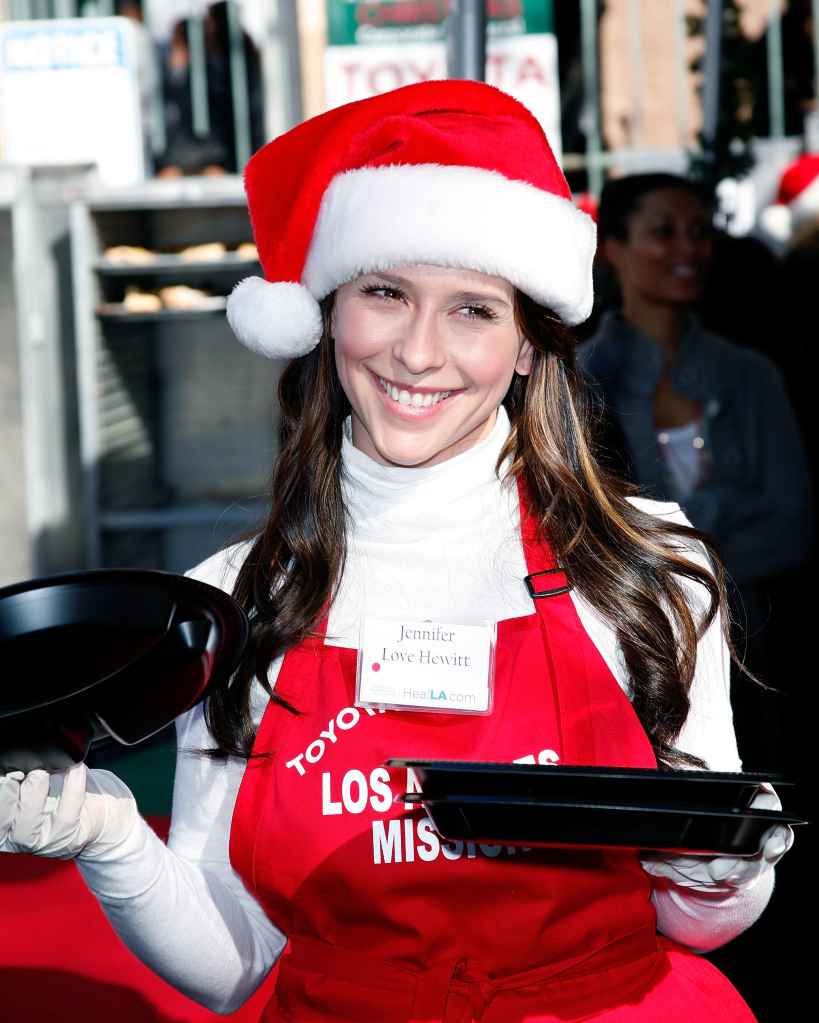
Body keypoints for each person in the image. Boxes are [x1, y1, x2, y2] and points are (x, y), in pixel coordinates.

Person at [0, 83, 794, 1022]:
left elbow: (697, 923)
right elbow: (237, 963)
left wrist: (715, 866)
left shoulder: (648, 566)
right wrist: (108, 836)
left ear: (530, 346)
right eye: (385, 293)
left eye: (472, 310)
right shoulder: (238, 595)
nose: (418, 353)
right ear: (329, 312)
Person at [578, 173, 814, 767]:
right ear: (613, 247)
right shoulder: (577, 379)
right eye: (662, 232)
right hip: (615, 651)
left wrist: (671, 557)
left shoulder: (751, 376)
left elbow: (793, 525)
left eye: (699, 232)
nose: (687, 248)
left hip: (752, 658)